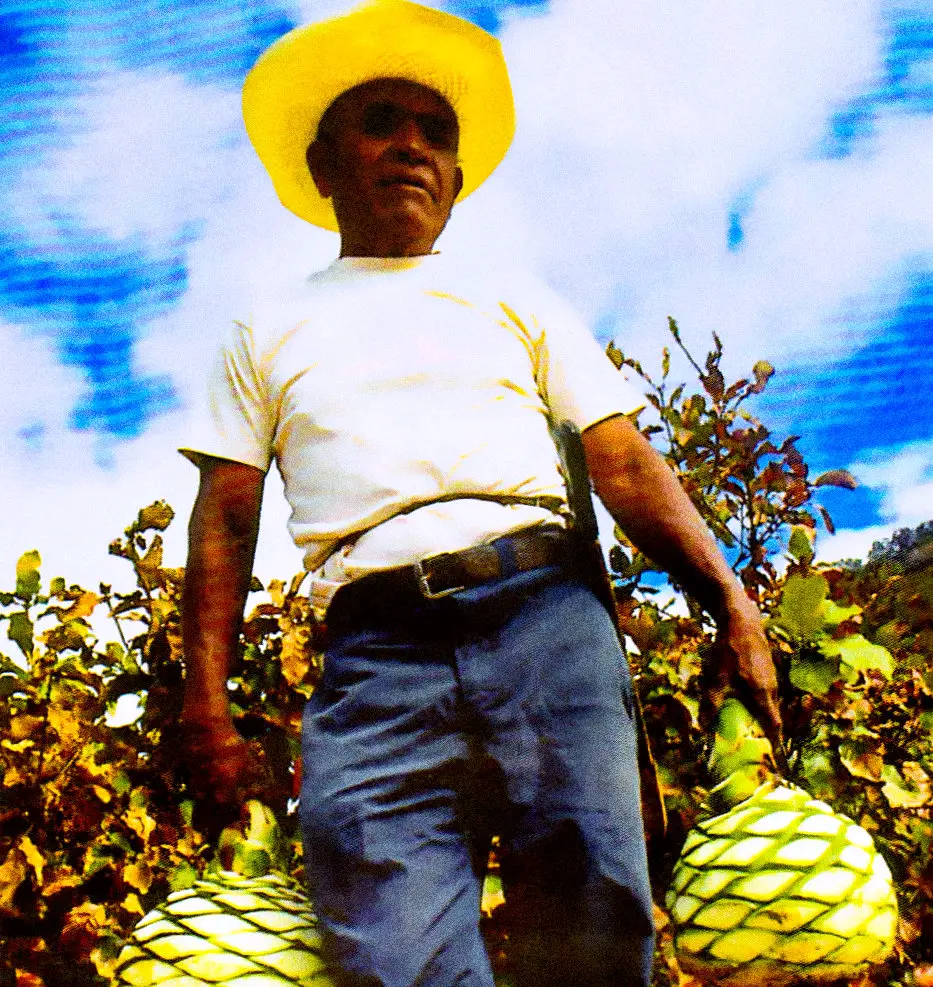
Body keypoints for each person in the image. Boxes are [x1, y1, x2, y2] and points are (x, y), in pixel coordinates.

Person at [178, 2, 783, 985]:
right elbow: (228, 516)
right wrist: (203, 699)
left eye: (436, 135)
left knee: (593, 929)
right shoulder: (266, 331)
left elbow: (624, 462)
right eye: (381, 122)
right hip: (374, 663)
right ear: (326, 165)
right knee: (390, 955)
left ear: (457, 182)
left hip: (547, 626)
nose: (412, 147)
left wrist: (733, 608)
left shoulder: (519, 299)